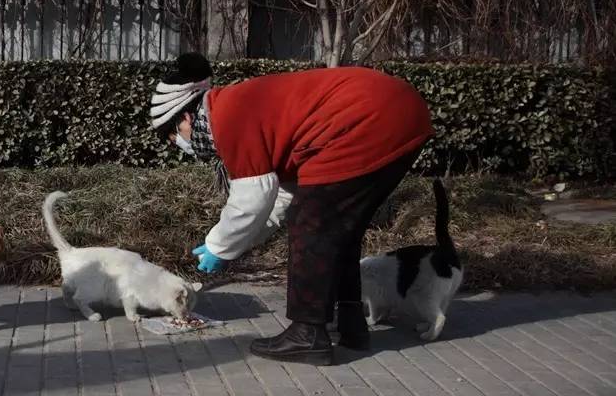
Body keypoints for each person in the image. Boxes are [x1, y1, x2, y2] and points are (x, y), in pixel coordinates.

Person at [149, 53, 433, 365]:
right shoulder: (238, 106)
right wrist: (235, 245)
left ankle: (308, 334)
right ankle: (351, 323)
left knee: (311, 225)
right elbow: (279, 199)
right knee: (337, 229)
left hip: (368, 116)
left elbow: (250, 200)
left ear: (186, 117)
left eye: (174, 135)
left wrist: (220, 246)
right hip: (397, 112)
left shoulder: (227, 117)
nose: (180, 143)